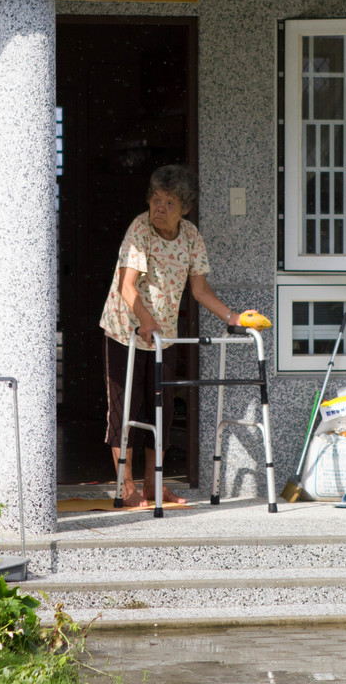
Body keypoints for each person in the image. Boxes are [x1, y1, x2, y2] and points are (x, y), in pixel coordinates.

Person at [99, 165, 256, 507]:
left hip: (163, 336)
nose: (160, 207)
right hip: (125, 331)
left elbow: (199, 290)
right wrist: (145, 320)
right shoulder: (140, 229)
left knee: (162, 409)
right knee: (125, 408)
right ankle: (126, 488)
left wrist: (234, 317)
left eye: (169, 202)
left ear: (185, 208)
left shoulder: (190, 236)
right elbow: (127, 285)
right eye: (156, 199)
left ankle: (154, 486)